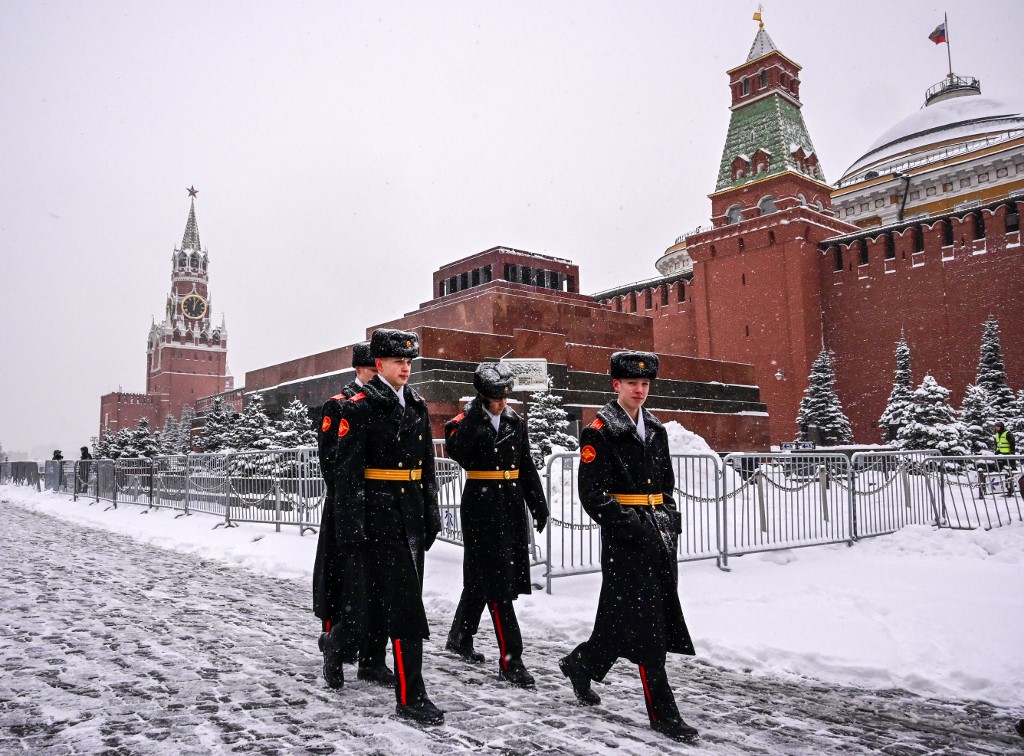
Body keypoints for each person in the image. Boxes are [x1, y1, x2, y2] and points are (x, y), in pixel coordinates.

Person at [558, 351, 699, 743]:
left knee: (622, 619)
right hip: (626, 542)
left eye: (645, 384)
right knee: (650, 624)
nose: (640, 390)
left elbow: (666, 485)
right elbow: (593, 494)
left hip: (658, 537)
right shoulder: (600, 431)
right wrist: (633, 525)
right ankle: (663, 713)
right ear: (615, 385)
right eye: (632, 384)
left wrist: (670, 517)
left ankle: (581, 663)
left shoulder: (656, 428)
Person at [331, 328, 444, 725]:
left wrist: (433, 512)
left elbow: (427, 466)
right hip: (378, 516)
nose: (406, 368)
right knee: (406, 605)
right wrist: (351, 528)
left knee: (376, 600)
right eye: (399, 362)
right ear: (378, 364)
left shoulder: (415, 404)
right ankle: (411, 696)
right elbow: (346, 475)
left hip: (409, 513)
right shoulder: (359, 407)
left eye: (410, 362)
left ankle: (340, 643)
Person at [443, 362, 549, 687]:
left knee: (482, 577)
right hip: (481, 506)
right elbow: (459, 452)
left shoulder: (515, 422)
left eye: (505, 396)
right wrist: (477, 414)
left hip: (510, 505)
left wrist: (537, 503)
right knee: (498, 583)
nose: (502, 403)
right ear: (481, 394)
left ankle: (460, 637)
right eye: (495, 398)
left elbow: (526, 464)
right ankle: (511, 659)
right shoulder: (461, 423)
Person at [313, 341, 386, 688]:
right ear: (359, 370)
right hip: (347, 506)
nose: (377, 376)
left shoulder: (387, 404)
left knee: (379, 584)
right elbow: (331, 462)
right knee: (342, 581)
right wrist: (353, 500)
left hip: (380, 508)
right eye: (373, 370)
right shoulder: (339, 406)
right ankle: (338, 647)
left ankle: (374, 658)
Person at [992, 421, 1017, 494]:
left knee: (1012, 469)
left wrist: (1012, 452)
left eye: (998, 426)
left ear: (1001, 427)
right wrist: (996, 451)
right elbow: (997, 444)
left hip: (1008, 454)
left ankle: (1014, 485)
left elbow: (1012, 442)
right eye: (995, 427)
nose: (996, 428)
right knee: (999, 469)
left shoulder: (1007, 433)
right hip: (1000, 454)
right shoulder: (997, 434)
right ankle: (1001, 486)